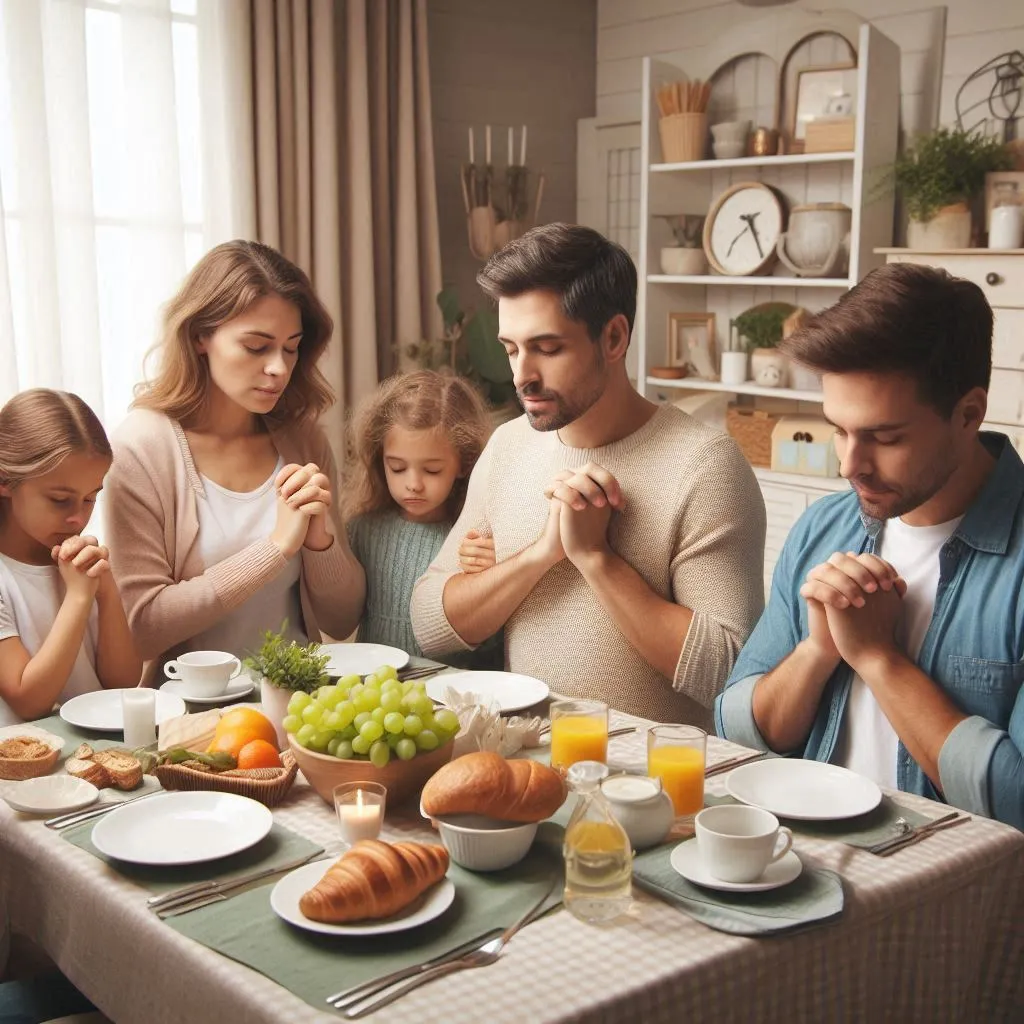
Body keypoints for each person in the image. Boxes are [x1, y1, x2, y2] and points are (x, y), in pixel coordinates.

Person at [410, 224, 766, 726]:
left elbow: (731, 674)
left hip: (650, 789)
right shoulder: (510, 444)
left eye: (547, 348)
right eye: (511, 349)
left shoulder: (704, 465)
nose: (521, 375)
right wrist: (541, 554)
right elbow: (431, 623)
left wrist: (596, 559)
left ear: (614, 337)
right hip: (528, 770)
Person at [715, 262, 1024, 830]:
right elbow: (738, 725)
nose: (848, 464)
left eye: (884, 437)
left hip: (955, 901)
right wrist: (817, 652)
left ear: (969, 414)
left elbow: (1016, 799)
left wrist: (878, 658)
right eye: (838, 428)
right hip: (803, 866)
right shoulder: (825, 527)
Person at [105, 241, 364, 683]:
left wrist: (319, 543)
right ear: (200, 336)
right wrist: (276, 548)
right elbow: (143, 627)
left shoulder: (304, 441)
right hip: (189, 721)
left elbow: (341, 621)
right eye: (256, 346)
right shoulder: (141, 447)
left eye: (291, 348)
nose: (279, 368)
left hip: (299, 708)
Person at [0, 390, 140, 724]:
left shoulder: (78, 562)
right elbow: (28, 701)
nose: (78, 518)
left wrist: (107, 594)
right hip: (26, 768)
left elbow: (122, 682)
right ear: (5, 480)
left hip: (95, 757)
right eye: (60, 500)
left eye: (91, 499)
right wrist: (79, 598)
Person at [343, 370, 501, 667]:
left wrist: (488, 574)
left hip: (455, 695)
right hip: (379, 692)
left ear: (465, 464)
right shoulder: (362, 530)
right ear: (380, 461)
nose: (413, 484)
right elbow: (339, 617)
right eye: (398, 468)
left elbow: (493, 642)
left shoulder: (475, 539)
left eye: (432, 470)